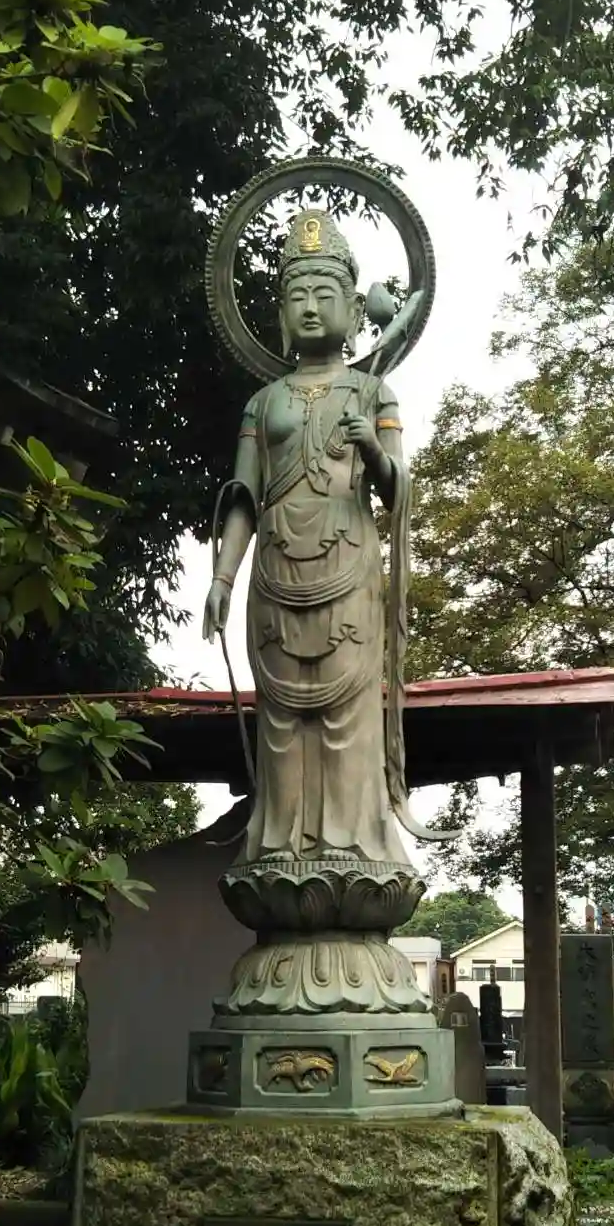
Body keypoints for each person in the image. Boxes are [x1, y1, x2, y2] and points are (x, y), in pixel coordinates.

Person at [202, 208, 416, 866]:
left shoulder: (374, 392)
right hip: (274, 571)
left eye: (326, 295)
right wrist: (222, 577)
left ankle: (349, 844)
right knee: (282, 719)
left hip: (347, 566)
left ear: (354, 310)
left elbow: (397, 489)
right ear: (279, 315)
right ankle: (281, 845)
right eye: (297, 296)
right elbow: (244, 497)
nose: (311, 308)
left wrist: (372, 451)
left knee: (347, 711)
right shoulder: (263, 403)